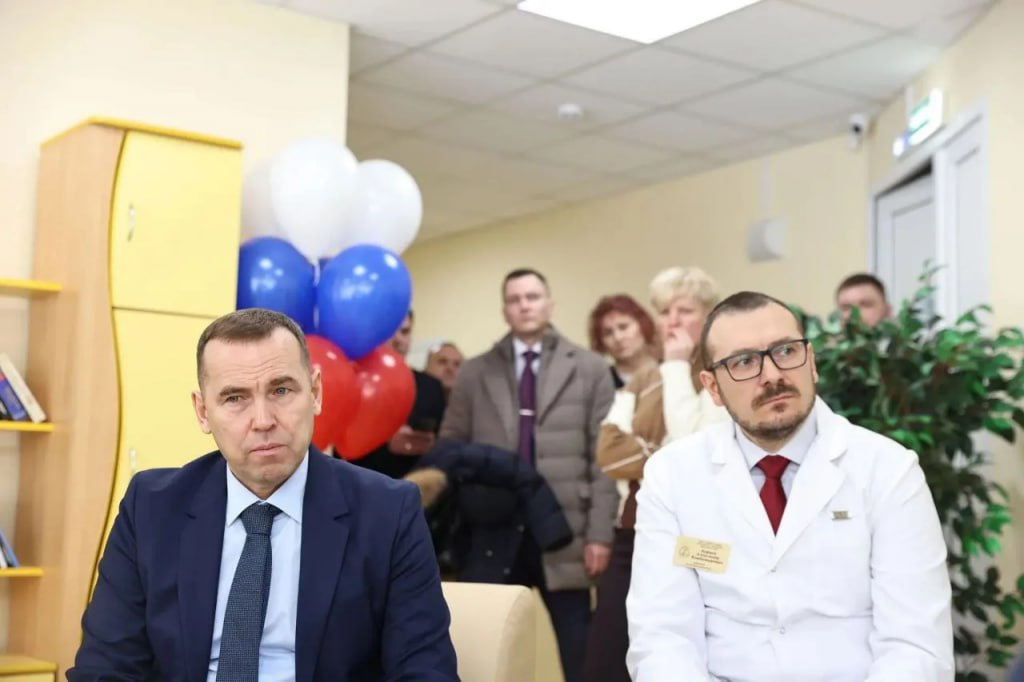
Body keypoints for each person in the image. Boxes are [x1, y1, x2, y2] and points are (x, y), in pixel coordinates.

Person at [68, 309, 458, 681]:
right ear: (203, 412)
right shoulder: (151, 508)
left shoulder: (388, 512)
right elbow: (105, 668)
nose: (263, 420)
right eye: (235, 398)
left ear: (316, 392)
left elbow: (425, 671)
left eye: (281, 390)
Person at [626, 291, 953, 681]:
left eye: (785, 352)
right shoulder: (673, 475)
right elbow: (663, 637)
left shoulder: (888, 469)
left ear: (811, 362)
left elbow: (915, 644)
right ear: (712, 387)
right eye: (744, 362)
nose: (772, 375)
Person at [440, 268, 616, 682]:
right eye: (515, 299)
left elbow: (604, 460)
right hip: (492, 531)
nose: (524, 305)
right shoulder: (474, 373)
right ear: (505, 310)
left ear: (549, 305)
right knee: (483, 653)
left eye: (533, 297)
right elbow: (450, 447)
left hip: (565, 531)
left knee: (580, 655)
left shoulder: (590, 369)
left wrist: (600, 535)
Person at [583, 267, 728, 682]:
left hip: (700, 537)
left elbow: (696, 449)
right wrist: (663, 453)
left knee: (686, 654)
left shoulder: (721, 372)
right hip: (633, 531)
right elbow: (609, 452)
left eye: (685, 311)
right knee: (604, 660)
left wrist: (677, 366)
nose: (672, 321)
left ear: (709, 316)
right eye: (665, 312)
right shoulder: (645, 376)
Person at [351, 309, 447, 479]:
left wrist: (430, 445)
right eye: (389, 332)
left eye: (404, 332)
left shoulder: (430, 387)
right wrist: (386, 444)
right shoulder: (356, 381)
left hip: (418, 483)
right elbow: (343, 449)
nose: (398, 340)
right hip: (365, 481)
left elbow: (445, 442)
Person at [587, 294, 657, 389]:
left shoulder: (670, 368)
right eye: (608, 333)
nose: (618, 338)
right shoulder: (599, 383)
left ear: (643, 325)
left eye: (623, 327)